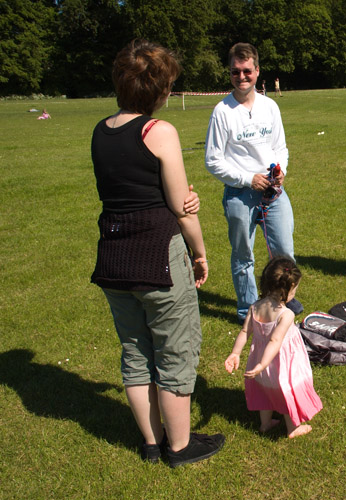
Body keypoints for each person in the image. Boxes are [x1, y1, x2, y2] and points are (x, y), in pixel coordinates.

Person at [90, 39, 224, 466]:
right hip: (157, 257)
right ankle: (179, 447)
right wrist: (200, 253)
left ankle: (152, 443)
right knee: (175, 351)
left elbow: (131, 190)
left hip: (113, 258)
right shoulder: (158, 131)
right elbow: (181, 209)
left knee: (135, 351)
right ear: (158, 89)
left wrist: (180, 199)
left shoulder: (100, 130)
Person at [205, 43, 300, 323]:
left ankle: (282, 302)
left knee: (285, 253)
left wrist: (281, 170)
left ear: (257, 71)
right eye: (235, 71)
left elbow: (280, 147)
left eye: (247, 71)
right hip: (239, 194)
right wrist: (248, 179)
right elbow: (213, 160)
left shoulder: (270, 106)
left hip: (273, 192)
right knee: (243, 255)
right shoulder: (222, 111)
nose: (241, 76)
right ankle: (248, 310)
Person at [224, 257, 322, 438]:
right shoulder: (286, 314)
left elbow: (245, 331)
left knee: (265, 390)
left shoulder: (255, 307)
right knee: (287, 390)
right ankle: (293, 428)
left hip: (261, 361)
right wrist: (263, 364)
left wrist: (235, 353)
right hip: (282, 362)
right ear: (288, 289)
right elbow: (275, 341)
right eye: (295, 289)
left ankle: (265, 423)